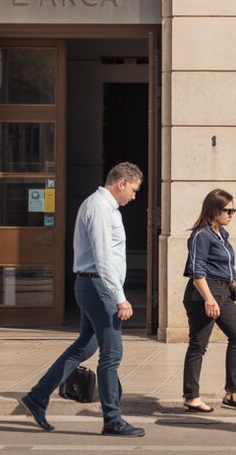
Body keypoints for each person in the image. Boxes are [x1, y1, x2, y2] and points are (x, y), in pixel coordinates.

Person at [19, 163, 146, 437]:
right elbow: (103, 257)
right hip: (98, 286)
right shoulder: (99, 207)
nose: (134, 196)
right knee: (112, 355)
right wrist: (120, 298)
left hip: (92, 285)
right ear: (122, 183)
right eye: (134, 190)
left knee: (84, 347)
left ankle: (38, 396)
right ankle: (112, 419)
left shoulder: (102, 206)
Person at [180, 189, 236, 413]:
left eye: (233, 210)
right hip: (204, 292)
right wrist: (209, 299)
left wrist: (235, 292)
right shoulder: (201, 235)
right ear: (214, 210)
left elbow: (227, 268)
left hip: (223, 291)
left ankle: (233, 393)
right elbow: (197, 272)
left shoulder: (222, 234)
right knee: (198, 344)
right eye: (227, 210)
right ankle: (191, 396)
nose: (231, 214)